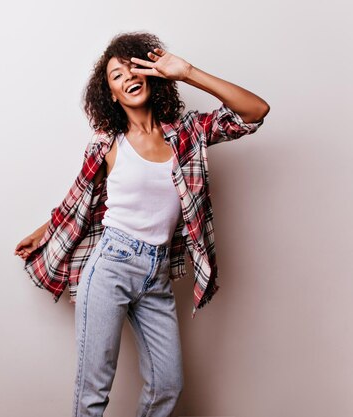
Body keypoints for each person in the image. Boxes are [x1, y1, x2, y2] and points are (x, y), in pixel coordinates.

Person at [13, 32, 269, 417]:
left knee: (168, 386)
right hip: (111, 265)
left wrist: (187, 72)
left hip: (159, 273)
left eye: (133, 67)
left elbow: (255, 112)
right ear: (111, 94)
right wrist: (45, 231)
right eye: (116, 75)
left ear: (150, 74)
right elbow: (79, 200)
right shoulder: (107, 143)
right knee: (93, 391)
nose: (127, 77)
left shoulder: (186, 134)